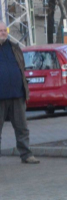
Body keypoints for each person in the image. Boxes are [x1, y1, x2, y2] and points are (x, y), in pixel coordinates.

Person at [0, 20, 39, 164]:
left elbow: (21, 68)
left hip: (17, 95)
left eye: (5, 30)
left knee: (22, 127)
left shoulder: (14, 47)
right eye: (0, 31)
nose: (3, 33)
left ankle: (26, 154)